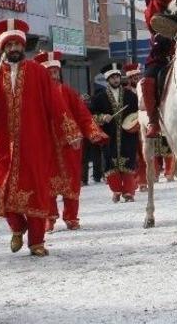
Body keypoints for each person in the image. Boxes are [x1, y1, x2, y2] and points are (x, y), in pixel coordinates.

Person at [0, 19, 74, 257]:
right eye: (9, 45)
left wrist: (70, 132)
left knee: (36, 190)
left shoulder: (37, 73)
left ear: (23, 46)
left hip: (34, 143)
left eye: (17, 44)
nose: (13, 49)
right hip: (1, 145)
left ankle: (36, 241)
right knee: (3, 188)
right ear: (3, 49)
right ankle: (17, 226)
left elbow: (55, 104)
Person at [35, 51, 107, 230]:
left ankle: (71, 216)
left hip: (70, 143)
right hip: (46, 146)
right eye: (49, 72)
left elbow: (82, 114)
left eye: (55, 72)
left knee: (72, 181)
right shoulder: (36, 95)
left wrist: (92, 131)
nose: (53, 75)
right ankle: (49, 217)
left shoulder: (68, 92)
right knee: (46, 182)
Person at [90, 63, 140, 202]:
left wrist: (134, 121)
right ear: (107, 80)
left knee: (129, 161)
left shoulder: (130, 95)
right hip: (109, 136)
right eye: (113, 78)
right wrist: (102, 118)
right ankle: (116, 190)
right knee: (111, 163)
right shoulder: (99, 97)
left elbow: (138, 112)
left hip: (128, 135)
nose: (116, 80)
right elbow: (91, 116)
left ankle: (129, 192)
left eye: (117, 77)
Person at [140, 0, 176, 138]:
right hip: (162, 52)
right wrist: (163, 37)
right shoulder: (151, 8)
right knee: (148, 79)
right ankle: (153, 121)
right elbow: (156, 28)